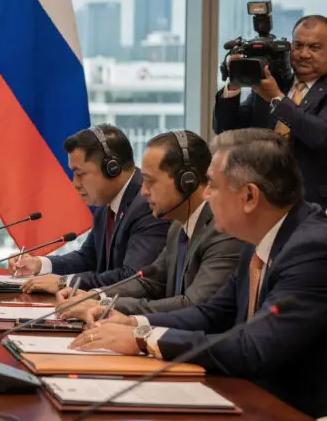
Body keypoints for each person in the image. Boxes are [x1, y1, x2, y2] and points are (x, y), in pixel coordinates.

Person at [71, 128, 327, 418]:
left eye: (213, 186)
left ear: (249, 196)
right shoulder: (258, 239)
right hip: (253, 401)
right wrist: (132, 322)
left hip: (298, 416)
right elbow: (210, 313)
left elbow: (253, 346)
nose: (204, 194)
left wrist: (145, 338)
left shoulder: (311, 250)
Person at [55, 130, 243, 320]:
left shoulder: (223, 232)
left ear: (187, 181)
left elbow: (193, 306)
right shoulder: (177, 227)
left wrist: (104, 306)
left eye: (151, 181)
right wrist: (95, 296)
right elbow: (150, 281)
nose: (144, 191)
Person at [11, 125, 169, 293]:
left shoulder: (147, 204)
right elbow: (88, 258)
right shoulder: (106, 202)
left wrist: (65, 282)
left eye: (80, 174)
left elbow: (132, 277)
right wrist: (40, 264)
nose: (75, 184)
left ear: (112, 169)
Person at [213, 14, 327, 206]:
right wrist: (235, 84)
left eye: (314, 47)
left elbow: (321, 136)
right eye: (298, 45)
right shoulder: (275, 82)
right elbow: (226, 129)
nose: (304, 54)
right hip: (262, 199)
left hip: (313, 204)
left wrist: (277, 99)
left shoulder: (273, 90)